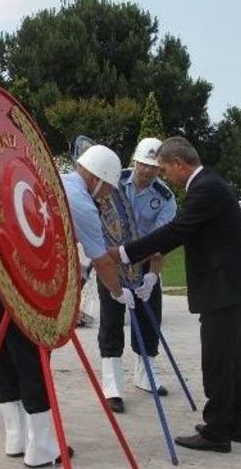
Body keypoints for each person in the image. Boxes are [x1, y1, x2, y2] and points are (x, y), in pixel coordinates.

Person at [0, 144, 132, 467]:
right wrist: (118, 293)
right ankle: (41, 448)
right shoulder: (82, 202)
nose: (108, 195)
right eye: (109, 188)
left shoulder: (55, 178)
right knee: (30, 352)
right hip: (12, 269)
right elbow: (103, 263)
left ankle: (17, 436)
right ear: (98, 178)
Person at [108, 136, 241, 454]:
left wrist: (124, 253)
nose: (164, 176)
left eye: (164, 170)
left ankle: (218, 432)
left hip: (224, 290)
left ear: (179, 164)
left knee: (218, 361)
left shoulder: (204, 189)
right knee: (233, 359)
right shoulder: (212, 182)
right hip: (234, 288)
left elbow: (175, 232)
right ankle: (234, 423)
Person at [97, 137, 177, 413]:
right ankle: (112, 385)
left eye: (154, 168)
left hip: (144, 263)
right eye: (144, 165)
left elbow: (161, 243)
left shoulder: (165, 197)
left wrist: (152, 277)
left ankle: (145, 375)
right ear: (135, 162)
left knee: (149, 317)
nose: (148, 172)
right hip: (110, 262)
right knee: (111, 320)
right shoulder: (113, 182)